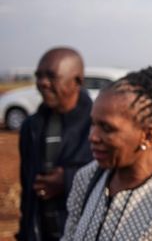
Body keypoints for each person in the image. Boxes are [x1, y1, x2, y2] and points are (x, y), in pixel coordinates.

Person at [62, 67, 152, 240]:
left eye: (107, 128)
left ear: (148, 136)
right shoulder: (87, 178)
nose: (92, 137)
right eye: (93, 124)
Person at [17, 47, 93, 241]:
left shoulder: (97, 126)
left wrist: (68, 180)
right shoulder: (31, 127)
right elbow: (27, 190)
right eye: (39, 76)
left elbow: (116, 178)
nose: (43, 83)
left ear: (77, 80)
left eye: (51, 76)